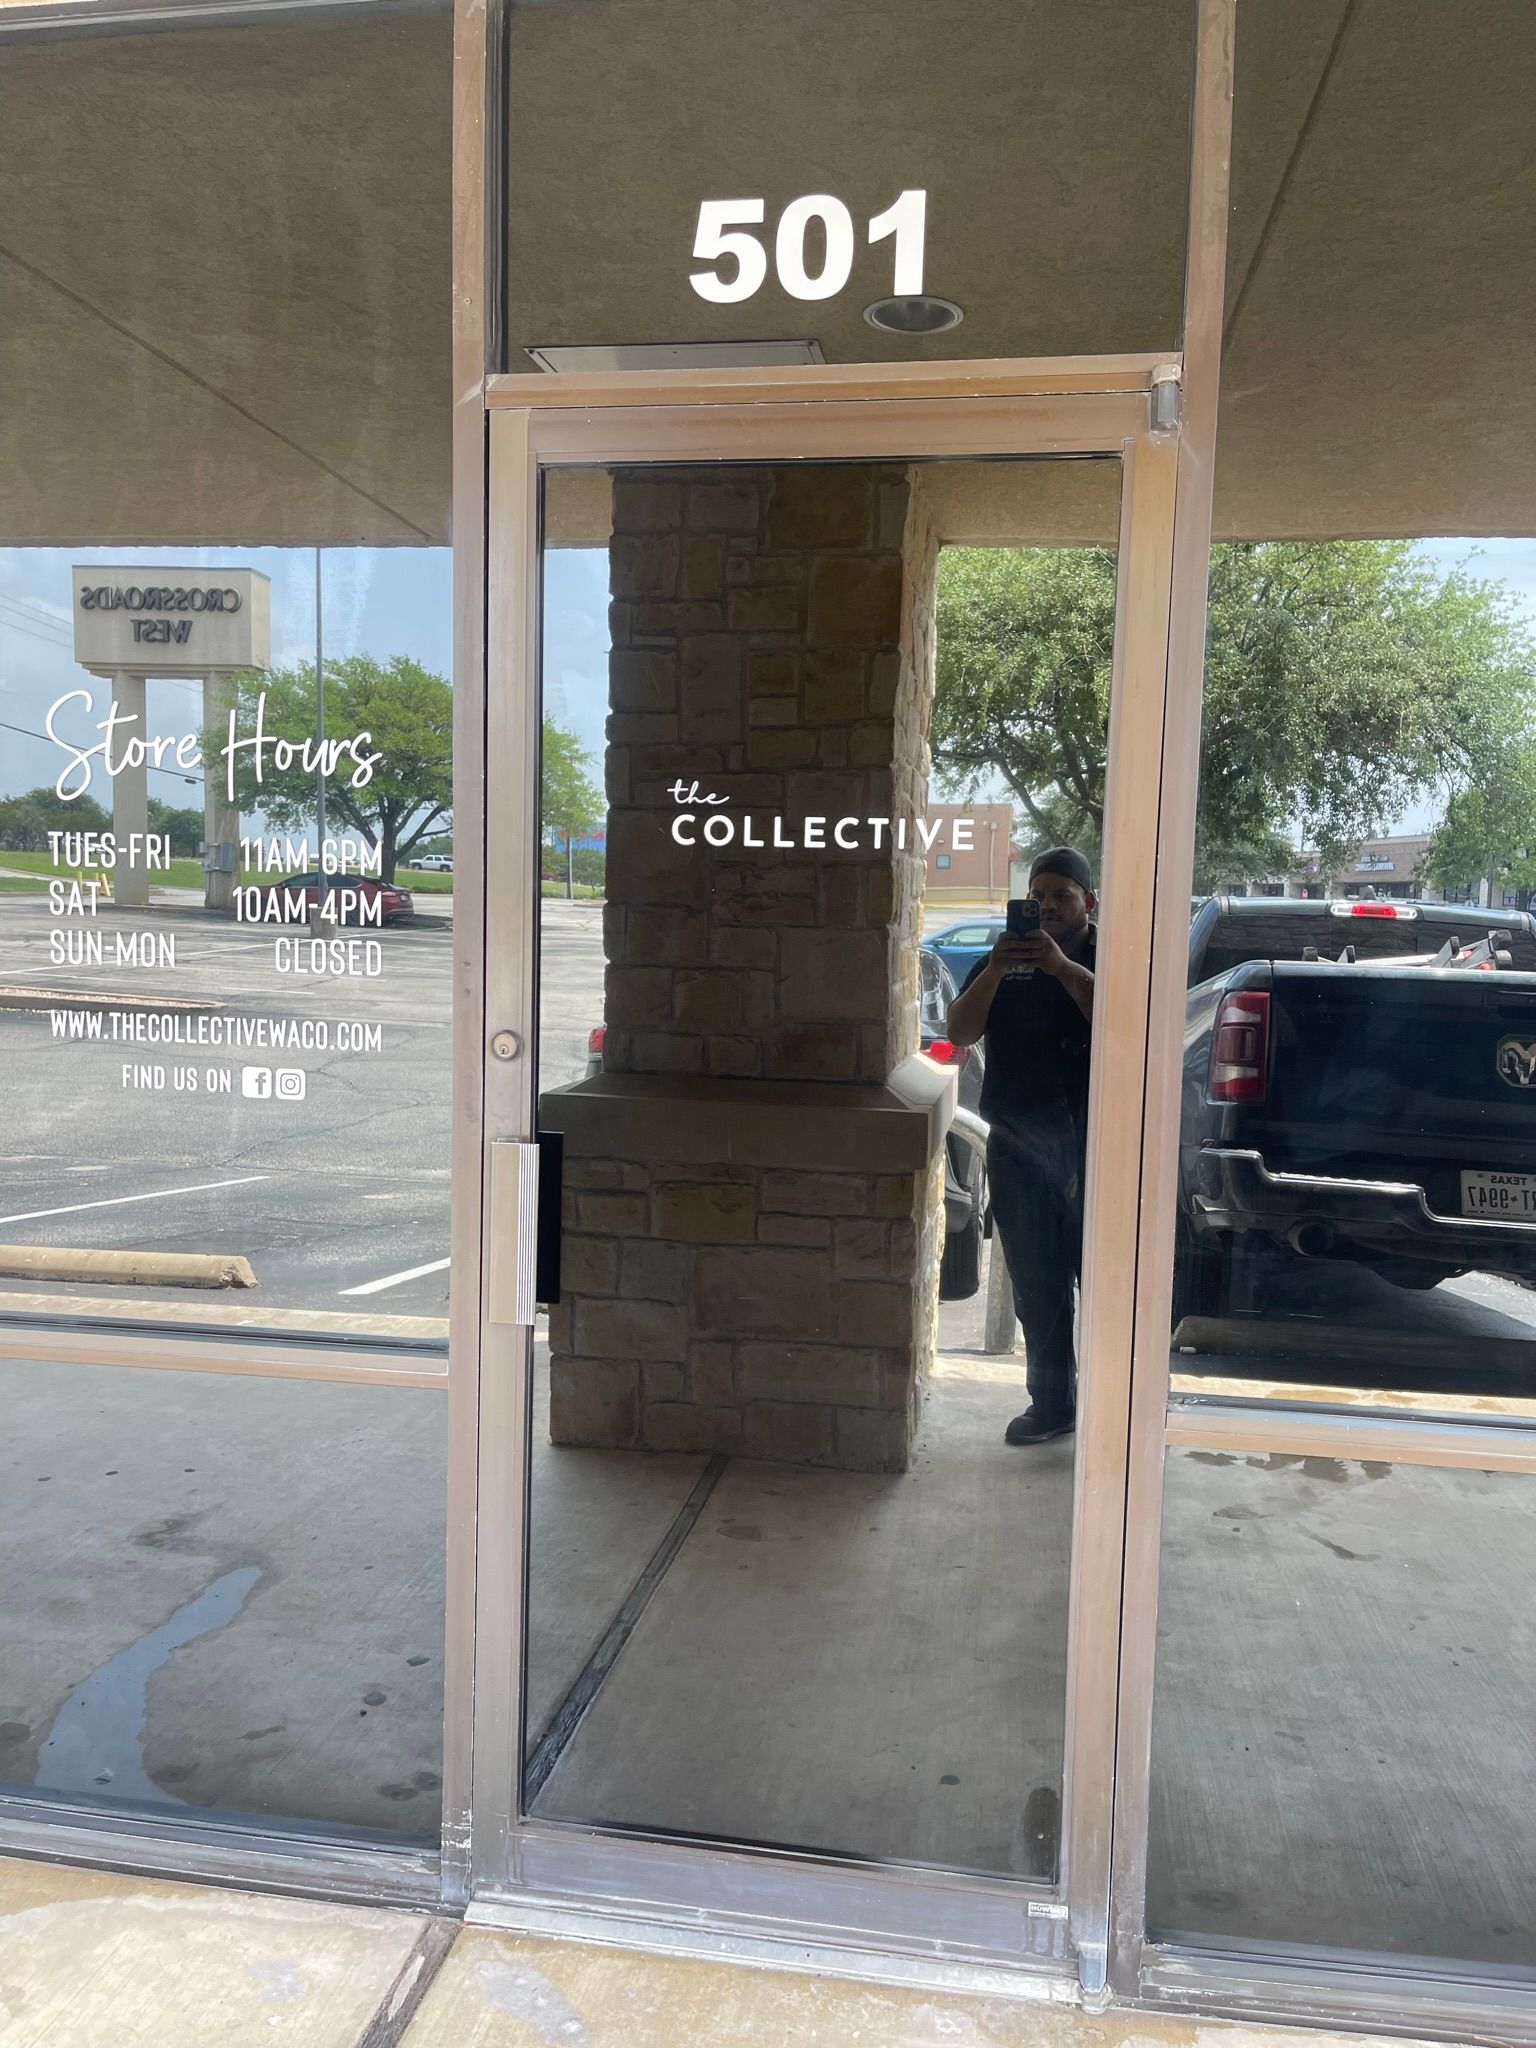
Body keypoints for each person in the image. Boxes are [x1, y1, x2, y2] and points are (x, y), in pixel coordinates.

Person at [945, 847, 1096, 1446]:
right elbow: (959, 1030)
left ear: (1088, 899)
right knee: (1038, 1284)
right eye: (1038, 895)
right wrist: (994, 971)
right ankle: (1053, 1403)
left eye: (1061, 894)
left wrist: (1060, 967)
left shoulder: (1100, 955)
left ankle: (1113, 1403)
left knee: (1103, 1281)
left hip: (1093, 1145)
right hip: (1016, 1142)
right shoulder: (999, 959)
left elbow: (1117, 1017)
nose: (1048, 905)